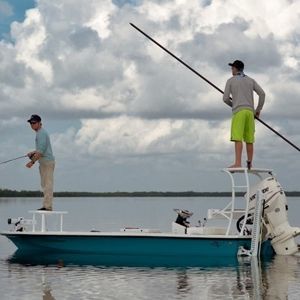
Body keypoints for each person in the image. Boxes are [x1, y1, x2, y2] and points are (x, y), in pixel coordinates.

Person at [223, 60, 265, 169]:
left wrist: (234, 104)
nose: (231, 70)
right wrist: (258, 110)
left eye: (232, 68)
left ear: (236, 69)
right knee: (249, 139)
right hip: (250, 113)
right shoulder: (251, 80)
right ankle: (250, 163)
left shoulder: (230, 81)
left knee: (238, 138)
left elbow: (225, 98)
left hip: (239, 112)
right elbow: (262, 94)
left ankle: (238, 163)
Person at [26, 114, 55, 210]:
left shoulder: (41, 133)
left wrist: (32, 162)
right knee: (44, 184)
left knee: (47, 184)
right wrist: (33, 152)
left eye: (34, 123)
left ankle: (47, 206)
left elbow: (41, 152)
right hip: (44, 163)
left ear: (39, 123)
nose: (32, 125)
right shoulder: (40, 133)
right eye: (30, 123)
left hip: (47, 162)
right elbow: (40, 149)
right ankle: (46, 205)